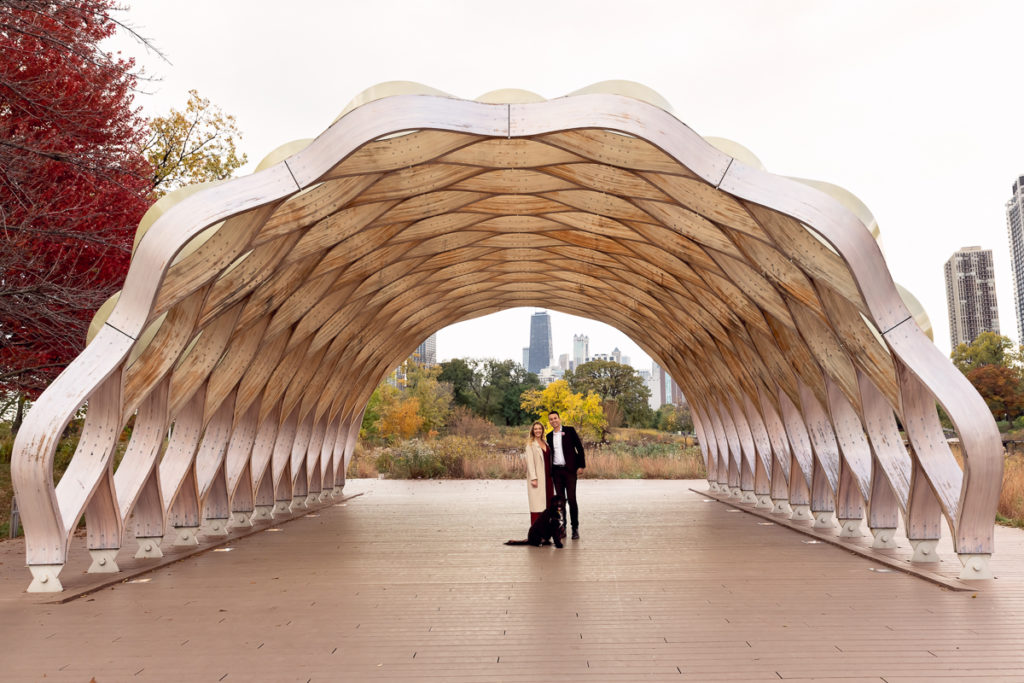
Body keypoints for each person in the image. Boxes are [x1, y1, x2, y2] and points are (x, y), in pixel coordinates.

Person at [545, 410, 586, 539]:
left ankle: (575, 529)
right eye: (551, 419)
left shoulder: (570, 431)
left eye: (555, 418)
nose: (553, 421)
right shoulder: (549, 436)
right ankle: (563, 528)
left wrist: (581, 465)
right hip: (557, 472)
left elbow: (579, 448)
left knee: (572, 500)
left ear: (559, 419)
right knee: (560, 503)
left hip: (570, 471)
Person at [524, 421, 552, 525]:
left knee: (547, 504)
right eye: (535, 429)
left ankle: (546, 530)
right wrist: (533, 478)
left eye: (539, 428)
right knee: (537, 504)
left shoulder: (546, 443)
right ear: (532, 431)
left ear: (542, 430)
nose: (538, 431)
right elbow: (530, 463)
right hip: (538, 477)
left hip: (548, 477)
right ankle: (536, 530)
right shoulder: (530, 445)